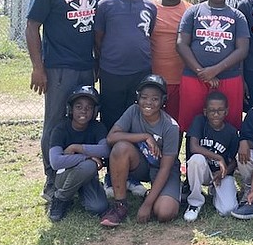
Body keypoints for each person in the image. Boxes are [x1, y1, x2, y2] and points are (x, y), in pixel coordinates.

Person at [26, 0, 99, 202]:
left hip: (85, 65)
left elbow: (95, 29)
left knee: (84, 118)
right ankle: (51, 177)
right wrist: (38, 67)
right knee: (56, 121)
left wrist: (97, 62)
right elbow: (32, 27)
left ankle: (79, 173)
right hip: (58, 67)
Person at [95, 0, 156, 197]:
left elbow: (146, 35)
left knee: (136, 122)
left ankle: (130, 176)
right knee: (113, 122)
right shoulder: (107, 5)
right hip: (112, 72)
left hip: (140, 72)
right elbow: (99, 37)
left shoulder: (149, 7)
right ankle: (112, 176)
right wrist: (108, 60)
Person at [100, 75, 181, 227]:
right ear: (138, 97)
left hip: (163, 170)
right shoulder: (133, 111)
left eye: (155, 99)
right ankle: (120, 206)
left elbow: (165, 168)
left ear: (163, 101)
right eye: (144, 97)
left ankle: (160, 195)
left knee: (164, 213)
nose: (148, 102)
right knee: (120, 148)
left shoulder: (171, 127)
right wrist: (145, 136)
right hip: (141, 164)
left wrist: (147, 205)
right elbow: (111, 137)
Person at [176, 0, 250, 134]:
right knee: (191, 123)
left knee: (228, 124)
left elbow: (243, 49)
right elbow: (181, 44)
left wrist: (215, 70)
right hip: (194, 76)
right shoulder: (193, 12)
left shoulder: (237, 16)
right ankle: (191, 158)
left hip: (228, 77)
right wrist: (201, 72)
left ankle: (226, 159)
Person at [47, 85, 109, 221]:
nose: (84, 111)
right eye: (78, 107)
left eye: (89, 108)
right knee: (89, 165)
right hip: (64, 176)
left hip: (87, 177)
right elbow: (56, 162)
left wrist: (76, 147)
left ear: (95, 111)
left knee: (99, 207)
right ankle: (60, 198)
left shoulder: (97, 127)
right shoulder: (61, 128)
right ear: (71, 109)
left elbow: (105, 150)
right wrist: (88, 156)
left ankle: (74, 194)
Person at [183, 91, 239, 221]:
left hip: (219, 174)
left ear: (226, 111)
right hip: (202, 171)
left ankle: (215, 192)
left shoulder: (231, 131)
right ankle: (194, 203)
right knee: (196, 159)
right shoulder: (199, 121)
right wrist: (218, 158)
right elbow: (194, 147)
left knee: (227, 209)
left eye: (220, 110)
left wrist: (224, 173)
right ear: (205, 111)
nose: (215, 114)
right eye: (211, 110)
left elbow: (234, 161)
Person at [151, 0, 191, 123]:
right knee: (151, 120)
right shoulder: (150, 8)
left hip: (180, 78)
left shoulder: (190, 10)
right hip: (153, 77)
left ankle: (172, 148)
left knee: (175, 122)